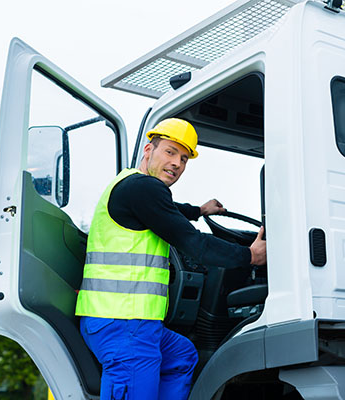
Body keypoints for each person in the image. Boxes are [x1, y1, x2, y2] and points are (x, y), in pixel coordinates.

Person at [75, 118, 266, 400]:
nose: (177, 163)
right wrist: (249, 255)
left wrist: (199, 210)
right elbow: (195, 244)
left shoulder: (128, 185)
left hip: (116, 320)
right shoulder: (145, 189)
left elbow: (166, 209)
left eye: (184, 158)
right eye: (170, 152)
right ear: (148, 150)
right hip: (124, 324)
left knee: (181, 355)